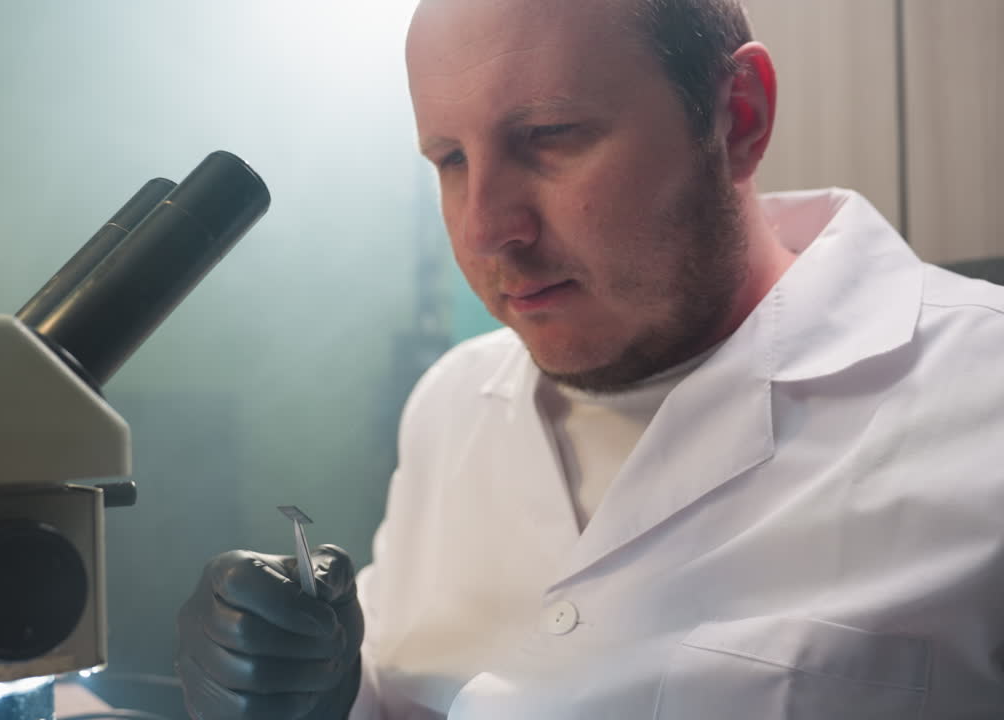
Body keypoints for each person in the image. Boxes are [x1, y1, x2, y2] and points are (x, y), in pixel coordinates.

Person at [175, 0, 1004, 716]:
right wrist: (326, 694)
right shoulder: (453, 402)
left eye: (549, 135)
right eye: (451, 160)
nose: (483, 229)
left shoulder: (981, 398)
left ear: (739, 117)